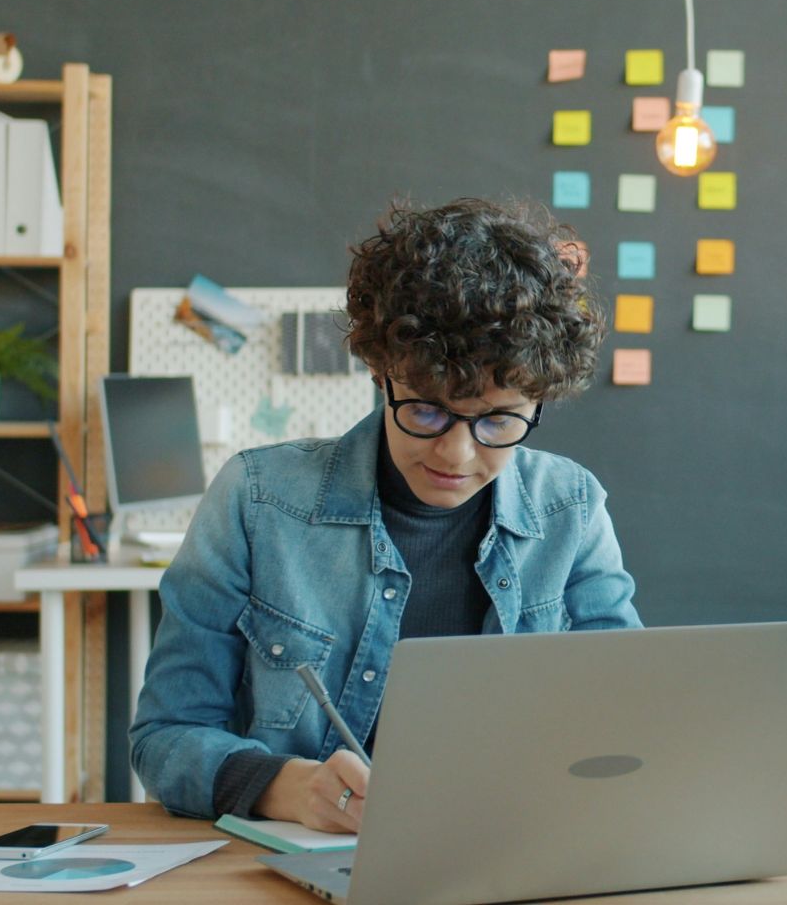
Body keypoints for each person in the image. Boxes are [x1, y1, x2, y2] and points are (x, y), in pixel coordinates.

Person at [130, 198, 639, 830]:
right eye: (426, 411)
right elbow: (165, 736)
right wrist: (286, 788)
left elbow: (625, 723)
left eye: (499, 421)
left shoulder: (572, 508)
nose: (457, 453)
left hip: (510, 839)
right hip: (307, 858)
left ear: (537, 403)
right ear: (381, 371)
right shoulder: (258, 497)